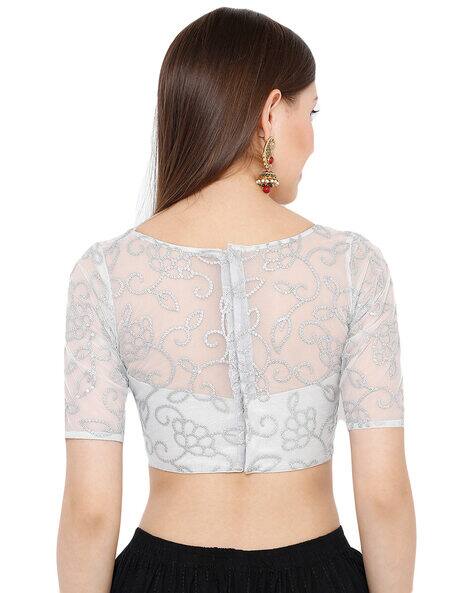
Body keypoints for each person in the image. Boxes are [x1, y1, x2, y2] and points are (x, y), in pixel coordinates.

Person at [56, 7, 416, 593]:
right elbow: (385, 494)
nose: (314, 141)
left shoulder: (104, 273)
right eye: (311, 111)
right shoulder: (352, 266)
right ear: (271, 112)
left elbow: (89, 509)